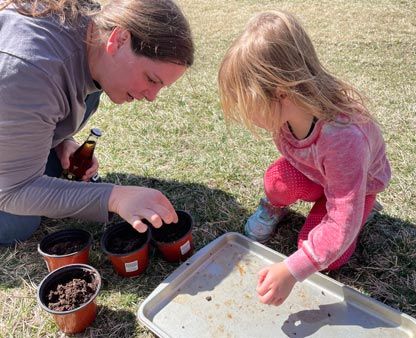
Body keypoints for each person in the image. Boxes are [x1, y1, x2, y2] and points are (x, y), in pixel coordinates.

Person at [218, 10, 391, 306]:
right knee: (276, 182)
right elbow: (297, 159)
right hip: (318, 175)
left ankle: (363, 207)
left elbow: (339, 224)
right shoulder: (286, 115)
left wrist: (291, 270)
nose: (247, 115)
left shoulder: (344, 139)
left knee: (322, 256)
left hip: (351, 187)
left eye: (251, 104)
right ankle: (278, 209)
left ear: (282, 92)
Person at [0, 0, 194, 246]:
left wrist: (61, 140)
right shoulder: (31, 69)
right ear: (120, 39)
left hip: (10, 112)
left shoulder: (95, 32)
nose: (151, 96)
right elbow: (14, 190)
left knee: (56, 181)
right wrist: (114, 197)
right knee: (18, 222)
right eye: (151, 79)